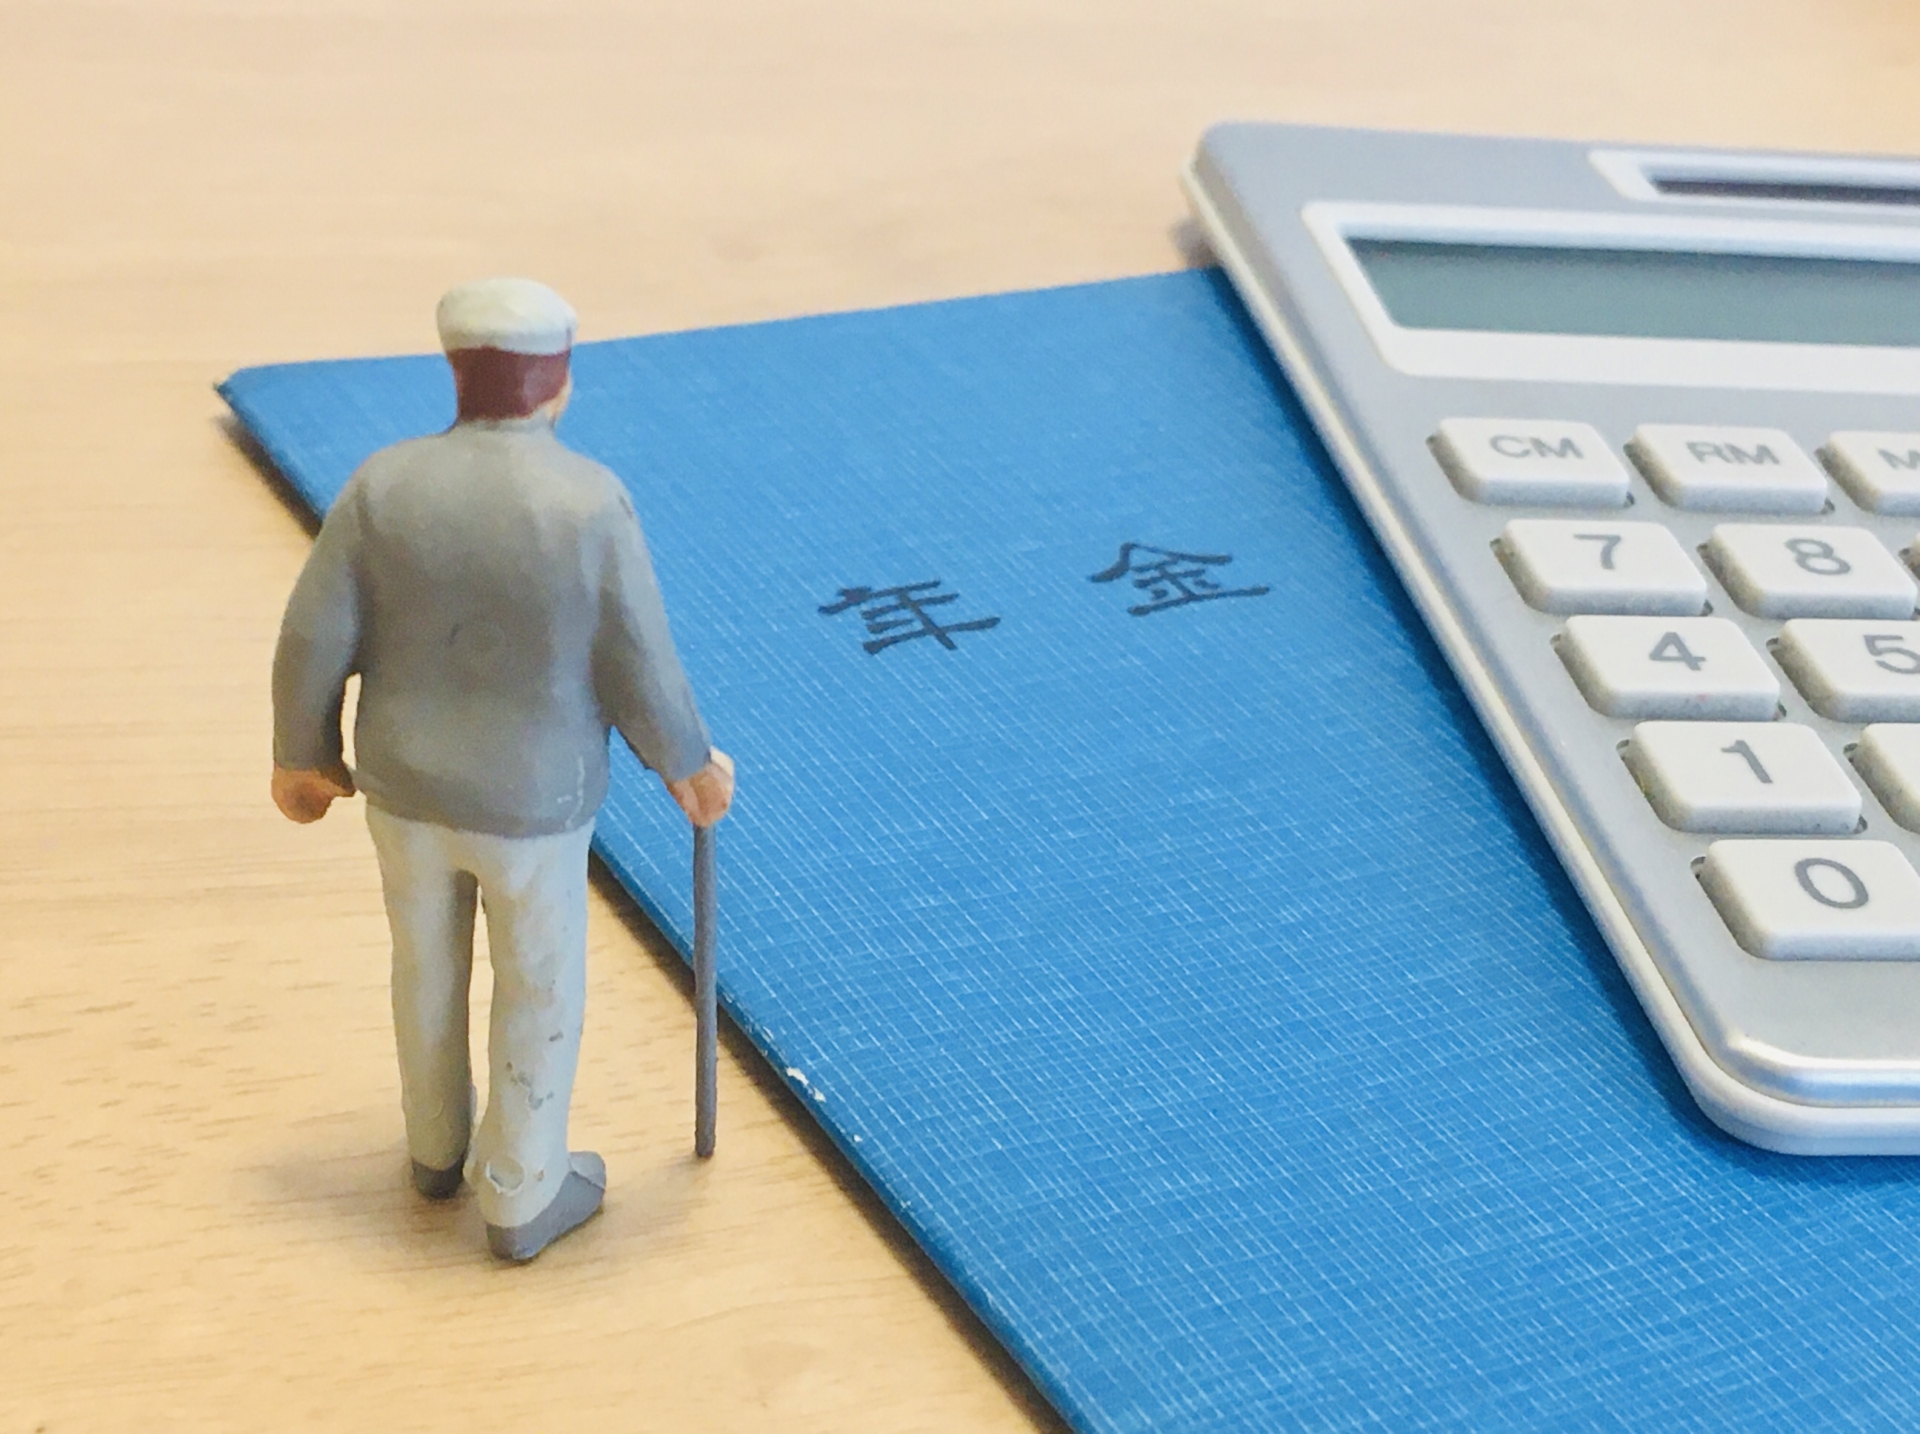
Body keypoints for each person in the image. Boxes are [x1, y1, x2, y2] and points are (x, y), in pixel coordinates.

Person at [270, 278, 734, 1261]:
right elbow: (637, 655)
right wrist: (684, 762)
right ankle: (521, 1189)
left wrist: (304, 755)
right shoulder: (589, 502)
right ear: (556, 384)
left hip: (402, 789)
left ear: (457, 374)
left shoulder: (382, 486)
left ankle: (434, 1147)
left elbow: (313, 632)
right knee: (538, 984)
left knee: (423, 968)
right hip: (535, 802)